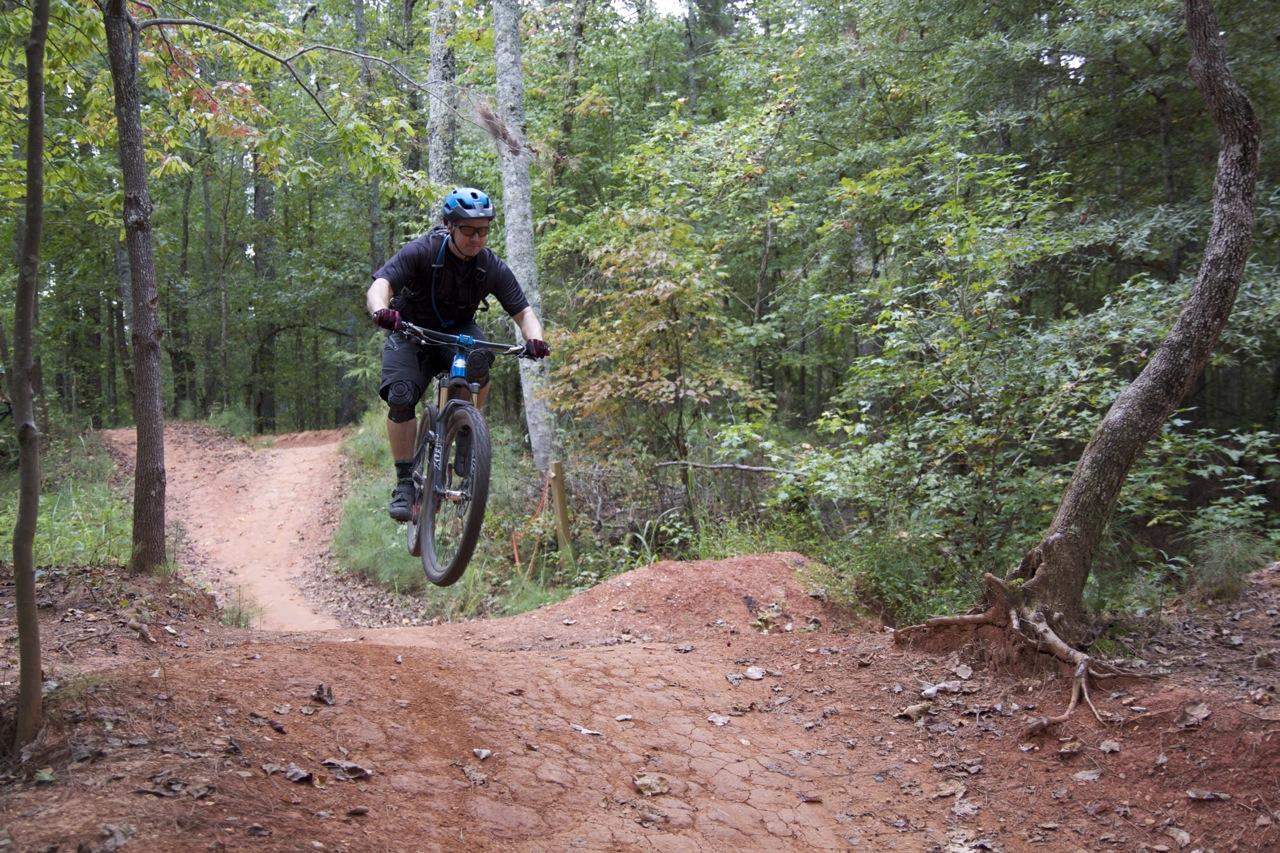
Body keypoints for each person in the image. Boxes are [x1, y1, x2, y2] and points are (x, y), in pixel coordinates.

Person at [366, 187, 549, 522]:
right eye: (468, 230)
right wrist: (381, 311)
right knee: (401, 396)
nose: (476, 238)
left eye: (483, 230)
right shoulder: (422, 251)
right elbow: (381, 285)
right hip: (411, 332)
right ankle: (405, 482)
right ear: (449, 226)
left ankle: (466, 430)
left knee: (479, 360)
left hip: (457, 335)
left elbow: (523, 313)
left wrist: (535, 339)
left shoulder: (490, 266)